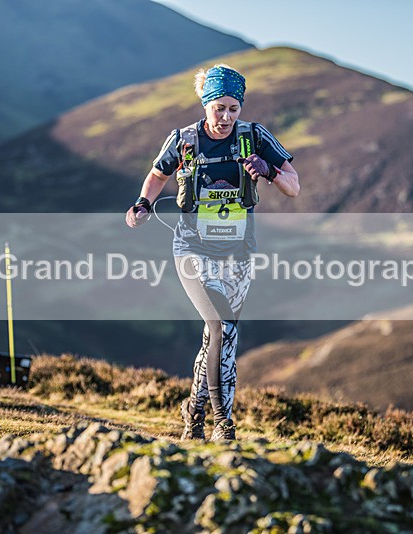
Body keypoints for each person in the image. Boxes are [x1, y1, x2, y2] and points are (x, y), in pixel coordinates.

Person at [126, 64, 300, 441]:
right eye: (218, 108)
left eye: (233, 109)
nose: (225, 117)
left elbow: (293, 187)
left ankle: (193, 413)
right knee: (220, 324)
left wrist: (268, 170)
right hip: (192, 248)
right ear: (205, 104)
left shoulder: (254, 136)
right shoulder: (184, 139)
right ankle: (223, 422)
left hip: (238, 252)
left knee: (222, 337)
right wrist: (142, 204)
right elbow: (158, 174)